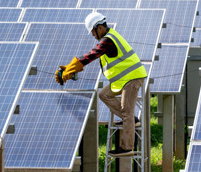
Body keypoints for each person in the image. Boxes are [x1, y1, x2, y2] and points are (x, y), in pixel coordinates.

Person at [56, 12, 147, 157]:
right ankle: (129, 120)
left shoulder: (108, 40)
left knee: (127, 110)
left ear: (99, 27)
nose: (92, 35)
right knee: (104, 94)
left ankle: (127, 146)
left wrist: (72, 67)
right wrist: (70, 68)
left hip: (133, 78)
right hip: (123, 80)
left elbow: (92, 55)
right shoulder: (109, 37)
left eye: (92, 31)